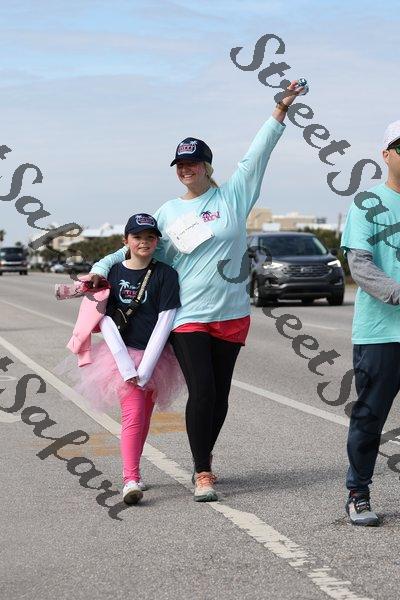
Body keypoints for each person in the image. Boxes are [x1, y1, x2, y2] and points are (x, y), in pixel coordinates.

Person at [89, 81, 305, 502]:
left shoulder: (234, 197)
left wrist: (280, 110)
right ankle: (202, 471)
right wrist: (100, 268)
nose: (186, 169)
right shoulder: (169, 212)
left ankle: (203, 457)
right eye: (180, 164)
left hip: (232, 312)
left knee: (220, 396)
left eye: (193, 163)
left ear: (207, 165)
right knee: (202, 390)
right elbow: (136, 246)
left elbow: (257, 155)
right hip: (187, 315)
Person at [62, 213, 182, 505]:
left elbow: (166, 320)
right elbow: (103, 319)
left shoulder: (166, 274)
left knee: (144, 416)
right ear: (126, 241)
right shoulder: (112, 274)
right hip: (120, 356)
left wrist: (146, 367)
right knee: (133, 416)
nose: (144, 242)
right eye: (137, 237)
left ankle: (134, 473)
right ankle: (130, 479)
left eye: (150, 237)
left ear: (157, 242)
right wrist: (126, 365)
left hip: (155, 358)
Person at [341, 120, 400, 526]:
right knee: (369, 417)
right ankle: (358, 492)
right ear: (386, 155)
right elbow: (359, 265)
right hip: (381, 333)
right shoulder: (367, 203)